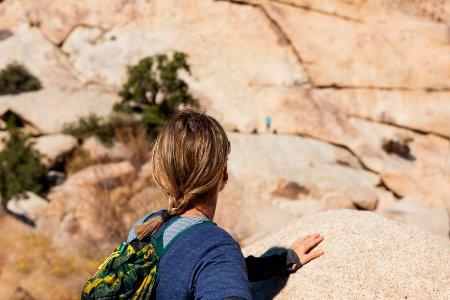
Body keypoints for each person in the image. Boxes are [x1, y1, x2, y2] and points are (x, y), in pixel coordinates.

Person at [126, 109, 324, 299]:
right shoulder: (215, 247)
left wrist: (280, 262)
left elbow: (201, 268)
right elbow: (208, 262)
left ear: (162, 170)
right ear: (223, 171)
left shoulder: (144, 227)